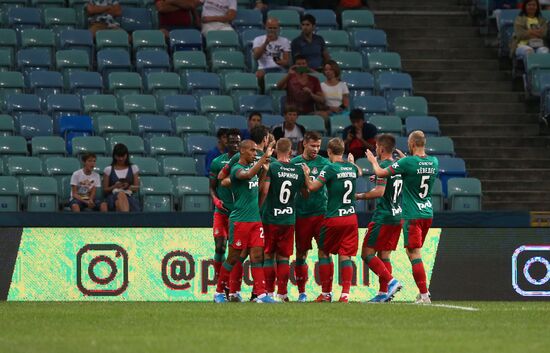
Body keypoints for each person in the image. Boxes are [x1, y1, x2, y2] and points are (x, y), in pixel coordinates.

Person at [366, 130, 439, 304]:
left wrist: (373, 162)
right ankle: (421, 293)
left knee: (413, 253)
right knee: (414, 251)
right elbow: (415, 172)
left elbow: (381, 172)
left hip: (412, 214)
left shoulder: (407, 162)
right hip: (427, 212)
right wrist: (404, 161)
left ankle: (424, 294)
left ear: (412, 144)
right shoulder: (434, 161)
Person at [213, 140, 276, 303]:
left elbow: (256, 186)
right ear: (242, 151)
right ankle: (219, 292)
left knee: (257, 257)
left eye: (256, 151)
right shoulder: (236, 170)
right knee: (233, 257)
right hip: (240, 220)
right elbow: (246, 176)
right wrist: (263, 160)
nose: (255, 154)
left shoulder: (251, 170)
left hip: (255, 219)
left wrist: (264, 172)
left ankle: (261, 294)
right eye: (252, 151)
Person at [301, 138, 362, 303]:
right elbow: (360, 172)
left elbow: (312, 188)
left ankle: (327, 294)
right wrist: (352, 162)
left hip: (334, 218)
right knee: (346, 255)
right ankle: (345, 294)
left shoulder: (330, 168)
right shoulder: (351, 168)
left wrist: (307, 175)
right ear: (343, 151)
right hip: (351, 218)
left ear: (328, 152)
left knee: (324, 252)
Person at [356, 134, 404, 302]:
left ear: (382, 149)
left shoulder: (383, 165)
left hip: (383, 217)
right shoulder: (397, 166)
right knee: (385, 256)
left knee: (367, 254)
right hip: (398, 216)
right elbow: (392, 183)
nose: (375, 149)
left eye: (376, 147)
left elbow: (379, 192)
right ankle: (384, 294)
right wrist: (377, 178)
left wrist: (358, 196)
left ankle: (391, 281)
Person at [259, 138, 305, 302]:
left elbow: (265, 190)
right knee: (284, 258)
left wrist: (258, 207)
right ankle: (283, 293)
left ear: (277, 150)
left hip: (271, 217)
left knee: (269, 256)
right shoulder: (298, 170)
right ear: (291, 151)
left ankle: (269, 293)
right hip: (288, 219)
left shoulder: (272, 166)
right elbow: (305, 193)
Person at [289, 131, 331, 302]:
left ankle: (326, 293)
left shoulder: (325, 163)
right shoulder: (294, 163)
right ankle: (302, 293)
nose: (316, 149)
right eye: (313, 146)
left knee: (325, 253)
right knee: (300, 254)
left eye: (318, 146)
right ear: (304, 144)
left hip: (321, 213)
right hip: (301, 215)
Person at [208, 129, 241, 289]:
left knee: (236, 252)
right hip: (221, 213)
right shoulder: (217, 162)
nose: (235, 145)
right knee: (220, 247)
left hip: (238, 214)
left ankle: (231, 286)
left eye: (237, 142)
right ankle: (220, 284)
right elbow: (211, 187)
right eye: (232, 141)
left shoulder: (245, 163)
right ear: (225, 142)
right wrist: (216, 201)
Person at [102, 143, 141, 212]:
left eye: (123, 156)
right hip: (113, 196)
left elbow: (136, 187)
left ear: (127, 155)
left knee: (118, 203)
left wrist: (128, 187)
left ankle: (121, 221)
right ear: (114, 156)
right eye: (118, 156)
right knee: (121, 194)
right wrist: (115, 186)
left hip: (128, 195)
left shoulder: (134, 168)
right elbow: (105, 190)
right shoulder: (108, 169)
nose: (121, 159)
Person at [253, 17, 291, 83]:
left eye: (274, 28)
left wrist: (281, 62)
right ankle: (262, 93)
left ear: (278, 28)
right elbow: (256, 57)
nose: (272, 30)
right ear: (266, 28)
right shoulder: (258, 39)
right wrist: (265, 43)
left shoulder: (285, 41)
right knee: (259, 74)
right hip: (264, 69)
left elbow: (287, 62)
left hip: (279, 68)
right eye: (270, 28)